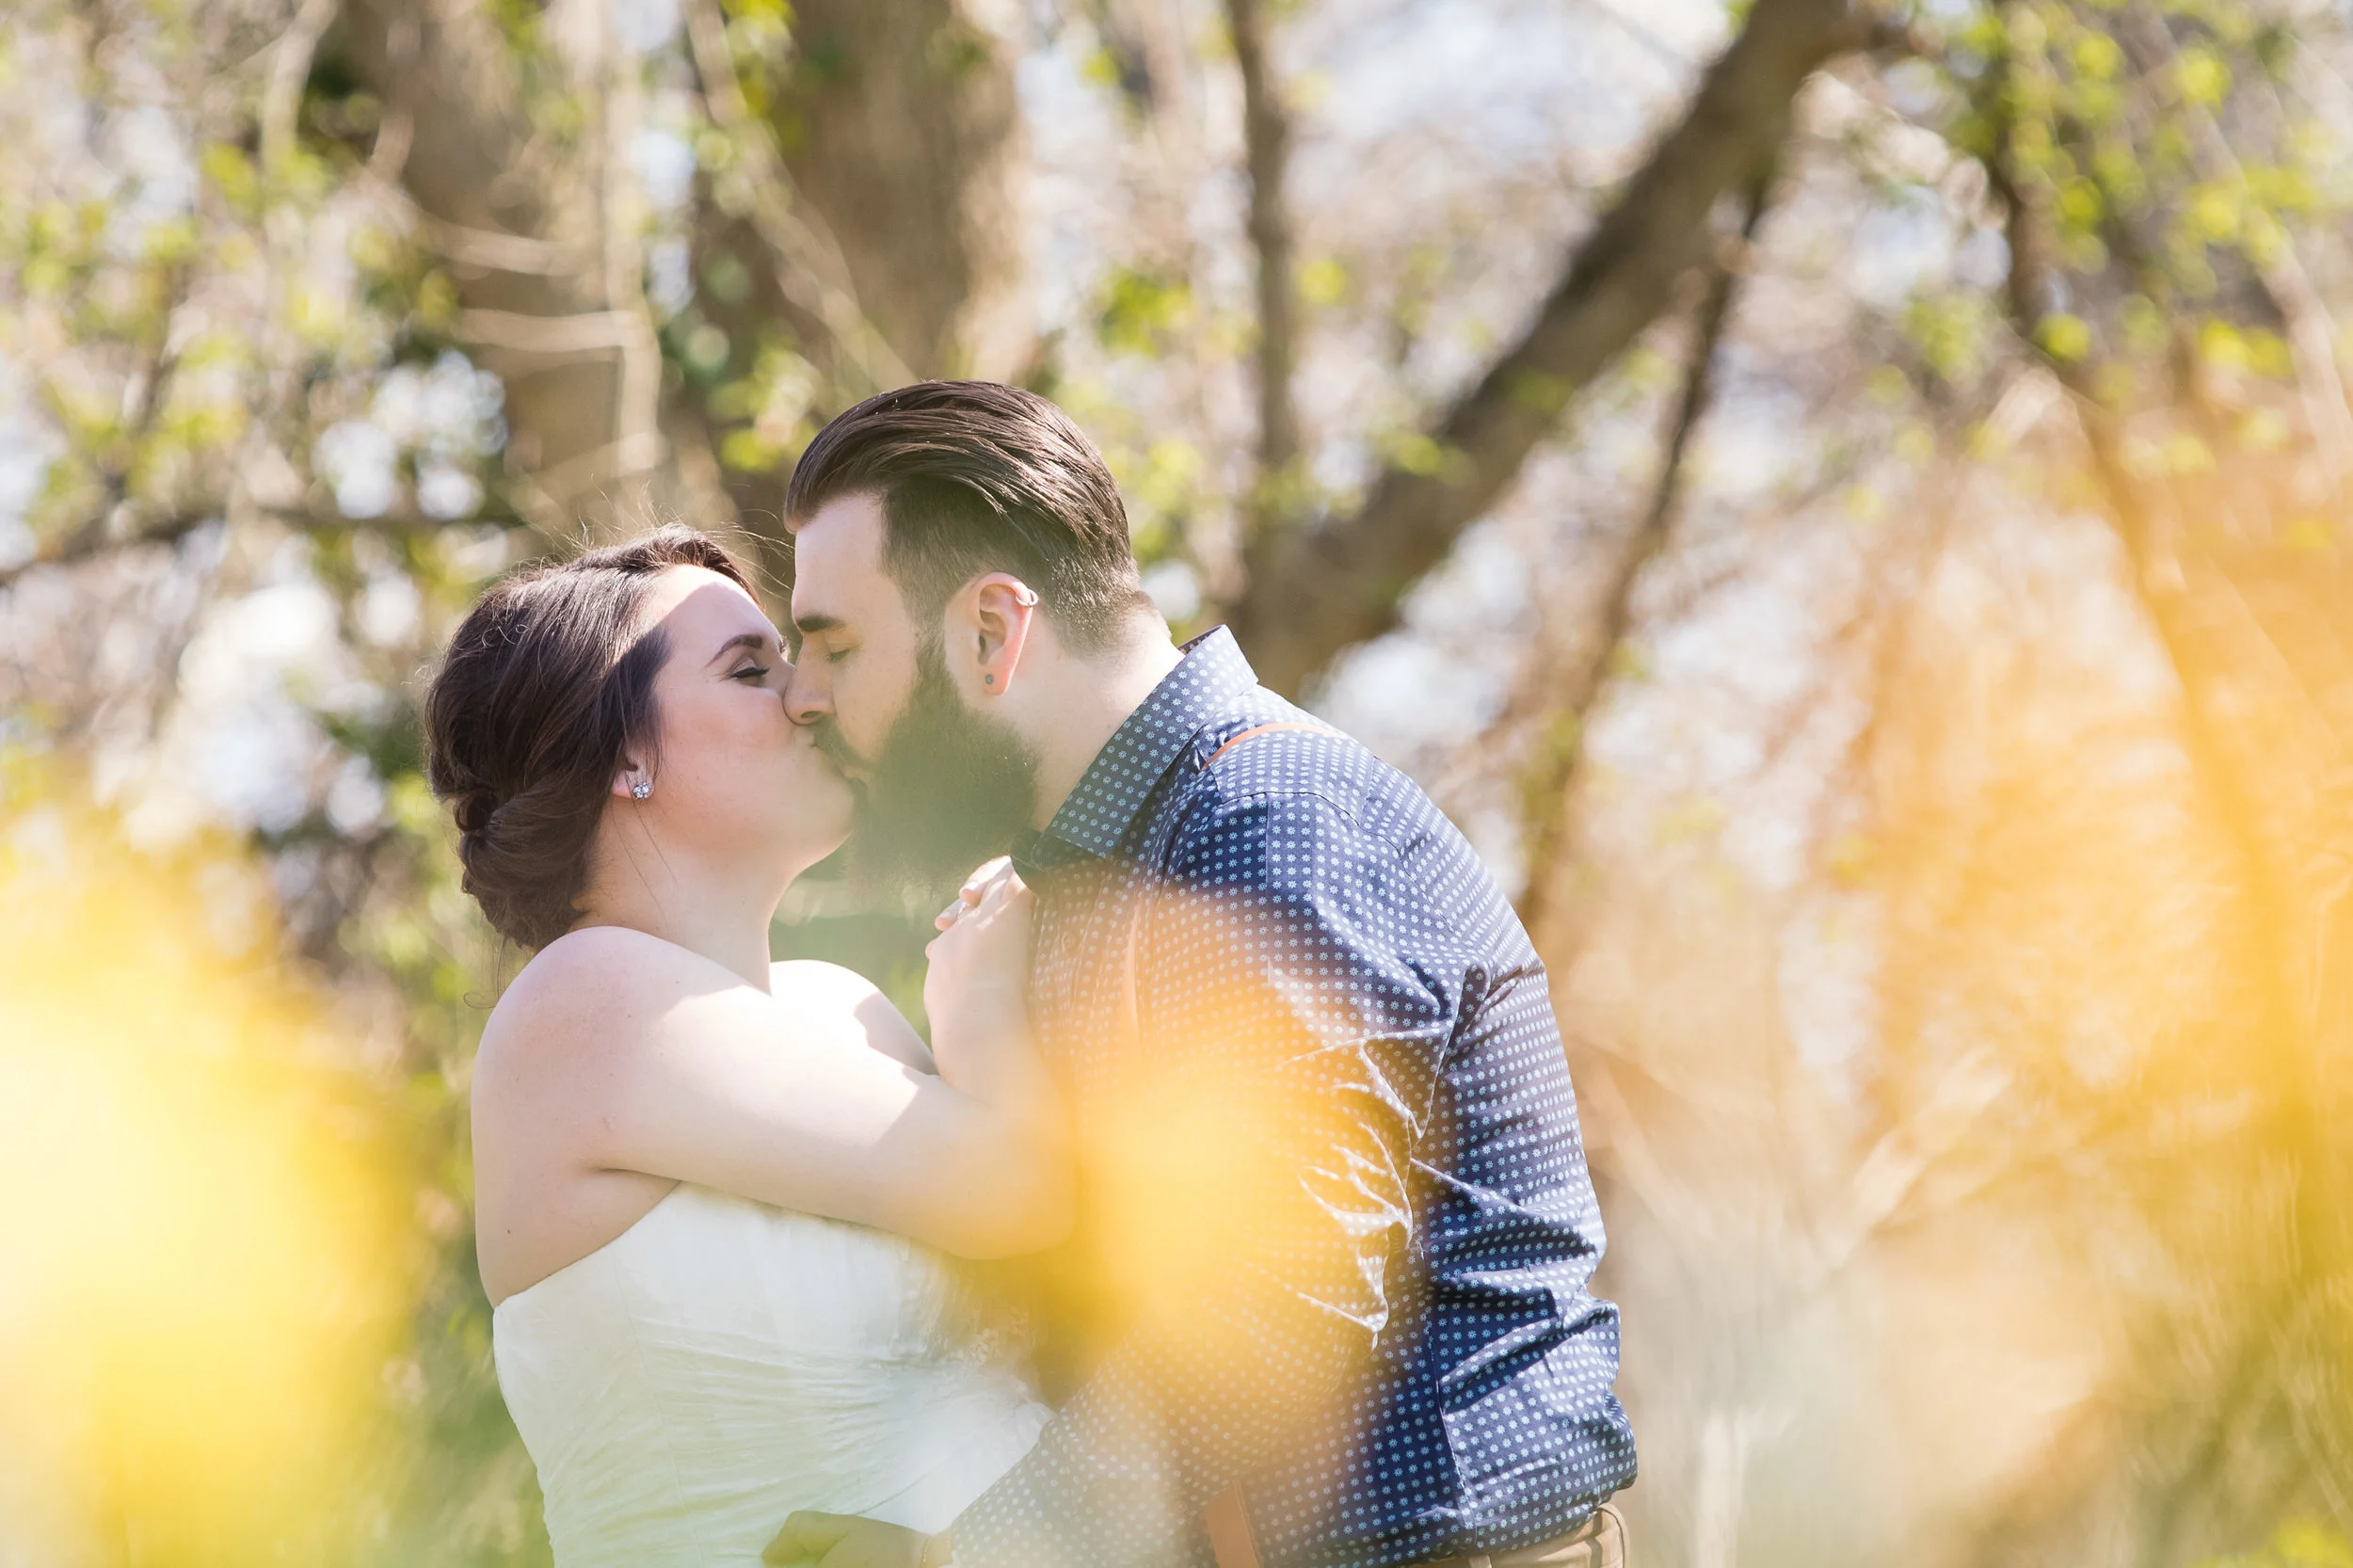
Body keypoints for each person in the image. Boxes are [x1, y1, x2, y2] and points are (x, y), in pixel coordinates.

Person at [766, 381, 1636, 1568]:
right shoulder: (1088, 873)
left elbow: (1280, 1310)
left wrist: (958, 1551)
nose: (803, 695)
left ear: (988, 633)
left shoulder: (1264, 825)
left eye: (835, 644)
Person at [425, 528, 1069, 1568]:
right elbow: (1022, 1183)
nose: (810, 698)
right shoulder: (583, 1000)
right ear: (622, 752)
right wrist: (982, 1002)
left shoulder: (845, 1007)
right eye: (750, 670)